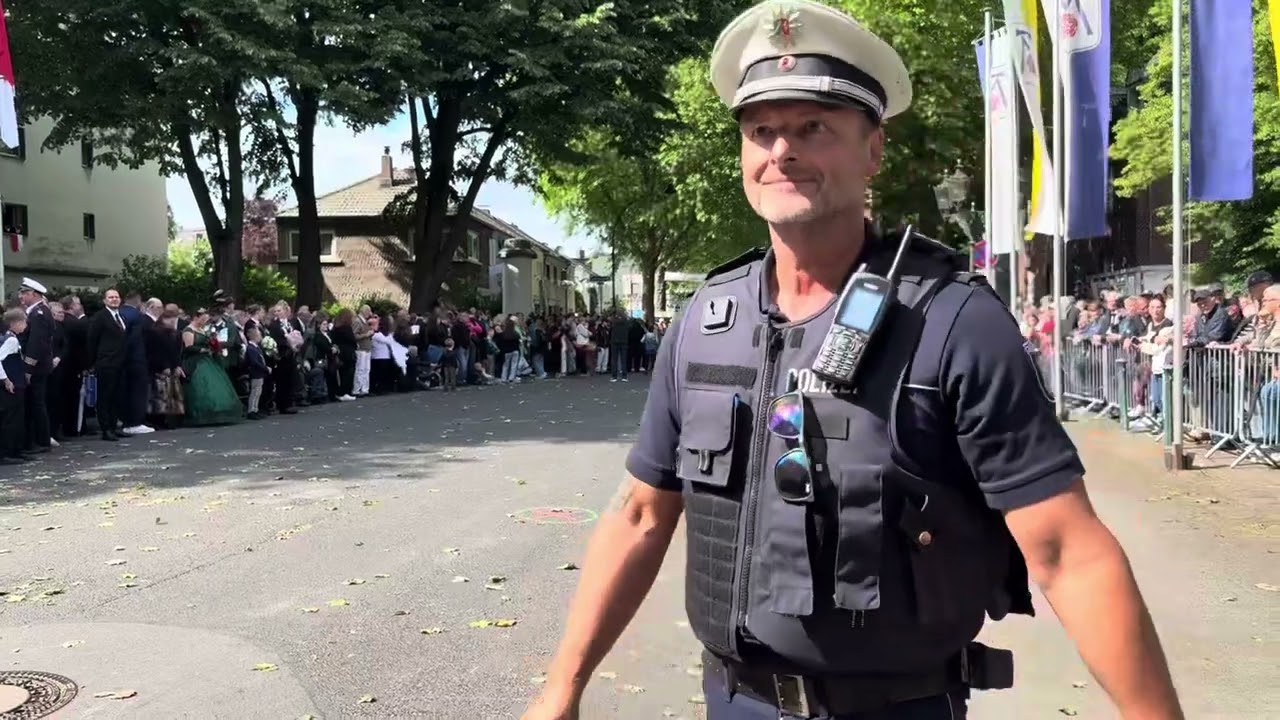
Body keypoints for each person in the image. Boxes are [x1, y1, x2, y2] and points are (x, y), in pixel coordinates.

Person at [523, 2, 1184, 719]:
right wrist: (563, 687)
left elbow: (1067, 551)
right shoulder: (706, 322)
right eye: (762, 131)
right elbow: (640, 518)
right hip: (733, 704)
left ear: (873, 151)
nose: (782, 151)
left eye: (814, 128)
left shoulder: (953, 322)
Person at [180, 308, 243, 426]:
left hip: (208, 360)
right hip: (196, 361)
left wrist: (214, 346)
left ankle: (220, 411)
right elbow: (189, 348)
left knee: (216, 384)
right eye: (203, 319)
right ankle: (201, 414)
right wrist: (203, 349)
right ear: (196, 317)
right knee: (201, 386)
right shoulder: (188, 330)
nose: (205, 322)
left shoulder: (202, 330)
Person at [16, 277, 55, 454]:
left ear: (33, 294)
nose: (21, 297)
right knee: (36, 403)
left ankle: (41, 441)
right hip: (39, 365)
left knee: (37, 404)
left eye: (24, 293)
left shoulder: (38, 314)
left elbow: (36, 343)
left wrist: (29, 368)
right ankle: (39, 439)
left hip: (37, 366)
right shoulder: (36, 312)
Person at [86, 288, 129, 442]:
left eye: (116, 297)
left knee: (117, 396)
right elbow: (92, 340)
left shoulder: (121, 316)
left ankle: (114, 426)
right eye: (110, 297)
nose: (114, 299)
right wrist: (93, 362)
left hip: (120, 363)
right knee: (105, 397)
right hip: (106, 363)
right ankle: (106, 429)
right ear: (104, 301)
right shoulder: (100, 318)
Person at [0, 308, 29, 464]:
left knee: (17, 418)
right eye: (23, 322)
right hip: (11, 384)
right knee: (10, 419)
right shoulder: (10, 340)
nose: (25, 325)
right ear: (15, 323)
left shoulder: (11, 338)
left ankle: (16, 449)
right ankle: (7, 452)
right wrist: (5, 379)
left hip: (16, 382)